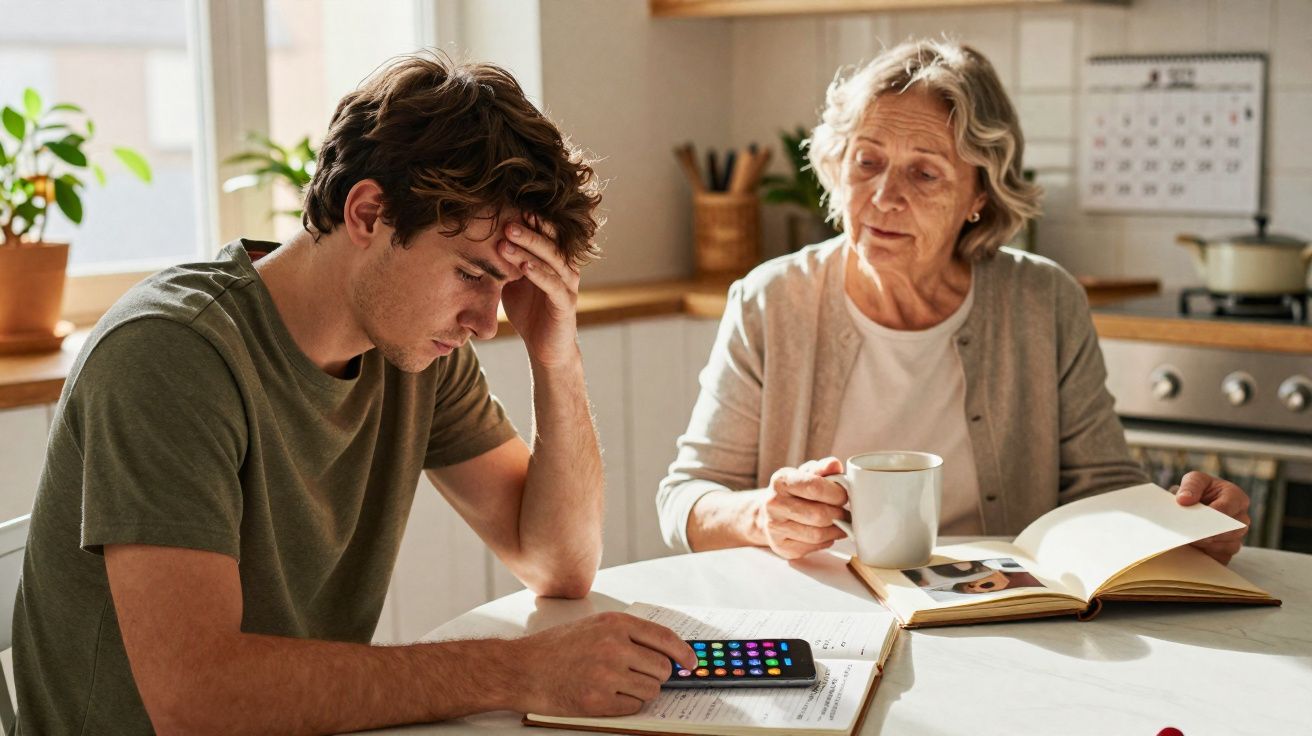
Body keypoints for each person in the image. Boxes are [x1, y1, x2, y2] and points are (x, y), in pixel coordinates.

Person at [14, 53, 696, 735]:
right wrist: (517, 670)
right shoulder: (171, 354)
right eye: (471, 274)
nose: (487, 322)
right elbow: (197, 701)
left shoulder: (412, 350)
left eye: (506, 285)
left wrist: (557, 359)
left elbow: (558, 564)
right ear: (369, 213)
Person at [656, 39, 1249, 567]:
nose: (884, 196)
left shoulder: (1044, 301)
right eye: (867, 161)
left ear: (979, 196)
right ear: (838, 166)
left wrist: (1185, 523)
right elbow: (685, 500)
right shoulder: (770, 300)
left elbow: (1104, 488)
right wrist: (762, 516)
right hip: (825, 608)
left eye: (924, 174)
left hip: (1000, 611)